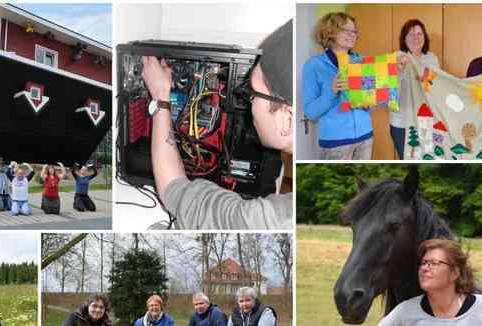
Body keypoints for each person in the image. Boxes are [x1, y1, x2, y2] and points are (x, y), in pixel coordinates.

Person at [141, 19, 293, 229]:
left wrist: (160, 96)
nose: (249, 103)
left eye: (254, 94)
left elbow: (173, 191)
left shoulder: (271, 218)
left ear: (287, 119)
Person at [303, 12, 373, 160]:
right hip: (336, 144)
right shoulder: (314, 65)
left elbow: (371, 104)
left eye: (354, 31)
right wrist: (331, 91)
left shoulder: (362, 61)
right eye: (346, 30)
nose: (352, 34)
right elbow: (310, 112)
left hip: (366, 138)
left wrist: (369, 101)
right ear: (330, 32)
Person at [391, 20, 440, 159]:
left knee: (427, 158)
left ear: (424, 37)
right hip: (401, 121)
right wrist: (399, 70)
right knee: (407, 159)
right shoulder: (395, 57)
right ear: (404, 38)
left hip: (426, 119)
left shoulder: (432, 59)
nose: (416, 38)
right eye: (411, 34)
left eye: (419, 34)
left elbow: (437, 87)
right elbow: (388, 90)